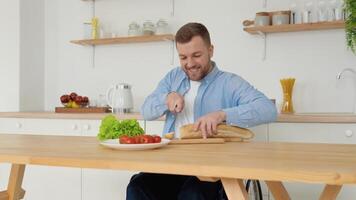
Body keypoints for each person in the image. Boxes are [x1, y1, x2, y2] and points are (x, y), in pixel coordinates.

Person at [126, 22, 277, 200]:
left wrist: (222, 114)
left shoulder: (229, 82)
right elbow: (146, 111)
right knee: (138, 186)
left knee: (193, 194)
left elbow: (268, 109)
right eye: (183, 57)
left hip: (211, 169)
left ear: (211, 50)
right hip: (171, 165)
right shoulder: (173, 78)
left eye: (196, 55)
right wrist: (166, 98)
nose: (190, 64)